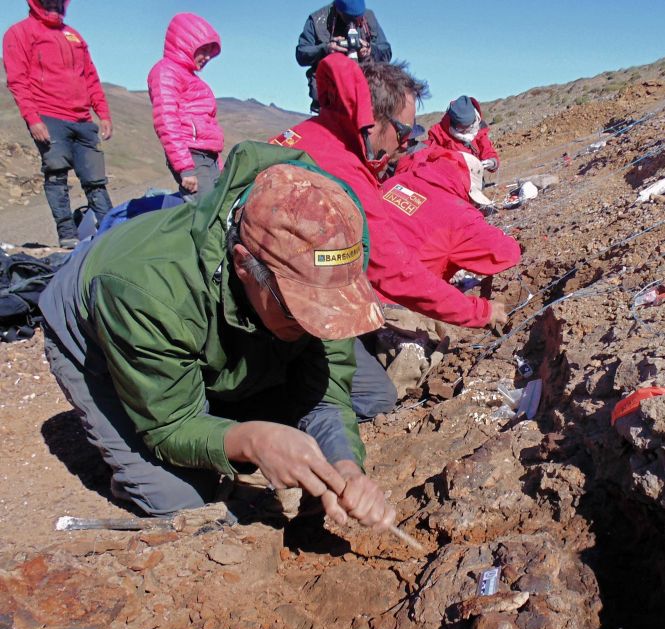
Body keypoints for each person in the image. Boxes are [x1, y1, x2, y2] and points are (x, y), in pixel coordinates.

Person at [38, 140, 396, 529]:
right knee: (182, 497)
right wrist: (252, 441)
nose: (319, 324)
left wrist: (345, 465)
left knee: (369, 395)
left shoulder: (323, 260)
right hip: (97, 328)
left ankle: (221, 404)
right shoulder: (147, 293)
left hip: (211, 318)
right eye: (302, 309)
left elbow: (328, 397)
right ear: (244, 264)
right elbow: (170, 425)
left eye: (330, 305)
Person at [271, 55, 508, 332]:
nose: (406, 143)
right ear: (371, 122)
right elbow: (394, 271)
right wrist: (479, 311)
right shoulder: (344, 172)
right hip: (283, 318)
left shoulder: (309, 134)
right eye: (403, 132)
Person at [3, 0, 113, 249]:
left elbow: (91, 76)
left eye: (59, 2)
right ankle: (67, 235)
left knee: (95, 179)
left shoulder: (73, 36)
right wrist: (33, 119)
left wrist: (103, 113)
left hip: (83, 119)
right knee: (56, 175)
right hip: (48, 116)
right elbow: (17, 81)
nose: (55, 6)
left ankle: (110, 229)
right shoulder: (19, 33)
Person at [381, 149, 520, 328]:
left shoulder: (395, 182)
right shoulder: (459, 215)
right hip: (394, 301)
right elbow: (504, 253)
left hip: (352, 281)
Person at [147, 13, 224, 199]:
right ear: (186, 44)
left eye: (209, 52)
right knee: (206, 213)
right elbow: (166, 121)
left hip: (207, 157)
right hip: (192, 156)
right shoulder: (165, 72)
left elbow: (208, 125)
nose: (206, 57)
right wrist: (186, 168)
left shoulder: (190, 77)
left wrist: (218, 163)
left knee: (220, 207)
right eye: (203, 50)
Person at [296, 0, 391, 113]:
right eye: (349, 18)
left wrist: (370, 50)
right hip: (329, 99)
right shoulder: (317, 20)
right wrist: (325, 49)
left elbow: (387, 52)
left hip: (367, 96)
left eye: (358, 18)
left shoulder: (368, 18)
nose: (354, 22)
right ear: (338, 10)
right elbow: (301, 54)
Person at [427, 95, 500, 173]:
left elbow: (487, 150)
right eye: (462, 128)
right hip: (450, 181)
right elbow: (433, 159)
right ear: (453, 123)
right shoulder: (438, 133)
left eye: (469, 127)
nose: (466, 131)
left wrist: (492, 162)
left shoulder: (479, 128)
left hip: (476, 179)